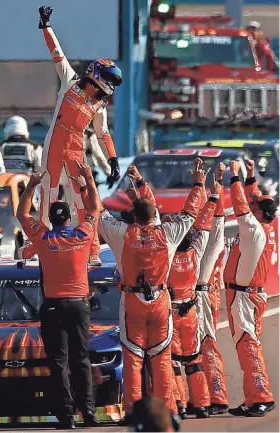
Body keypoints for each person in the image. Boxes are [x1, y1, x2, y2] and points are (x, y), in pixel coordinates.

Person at [98, 159, 206, 418]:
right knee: (161, 358)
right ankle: (167, 410)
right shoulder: (167, 233)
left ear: (133, 215)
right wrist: (199, 184)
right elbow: (191, 213)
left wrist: (85, 185)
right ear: (153, 215)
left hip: (132, 302)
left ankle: (134, 411)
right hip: (160, 301)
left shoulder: (122, 233)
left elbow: (97, 212)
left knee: (133, 358)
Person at [16, 162, 101, 429]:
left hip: (53, 306)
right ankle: (89, 413)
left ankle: (67, 418)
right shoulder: (82, 235)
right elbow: (94, 209)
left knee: (58, 362)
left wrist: (31, 185)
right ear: (68, 219)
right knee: (81, 359)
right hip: (78, 305)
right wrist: (88, 176)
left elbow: (22, 213)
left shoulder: (43, 237)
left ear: (51, 220)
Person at [37, 6, 121, 266]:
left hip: (76, 149)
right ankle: (41, 244)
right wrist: (46, 26)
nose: (110, 86)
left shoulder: (99, 106)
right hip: (54, 143)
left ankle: (92, 250)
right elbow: (57, 55)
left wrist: (114, 160)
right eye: (109, 80)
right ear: (96, 74)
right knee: (48, 193)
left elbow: (103, 134)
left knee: (82, 199)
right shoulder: (70, 81)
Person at [225, 159, 277, 417]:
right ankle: (253, 398)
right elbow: (252, 200)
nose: (252, 202)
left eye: (255, 204)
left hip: (244, 297)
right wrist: (251, 174)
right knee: (249, 344)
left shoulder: (254, 229)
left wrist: (234, 177)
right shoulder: (264, 226)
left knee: (247, 346)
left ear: (258, 212)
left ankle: (260, 397)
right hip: (251, 294)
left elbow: (240, 205)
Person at [167, 172, 222, 419]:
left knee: (172, 361)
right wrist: (213, 196)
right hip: (191, 311)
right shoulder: (196, 252)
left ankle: (179, 403)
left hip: (168, 312)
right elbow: (203, 225)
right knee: (194, 359)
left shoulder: (164, 255)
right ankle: (201, 404)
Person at [196, 163, 229, 415]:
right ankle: (199, 398)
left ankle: (216, 396)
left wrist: (216, 184)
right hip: (195, 298)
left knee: (205, 345)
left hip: (201, 297)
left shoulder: (211, 244)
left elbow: (216, 221)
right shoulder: (202, 241)